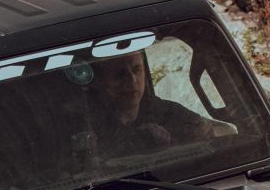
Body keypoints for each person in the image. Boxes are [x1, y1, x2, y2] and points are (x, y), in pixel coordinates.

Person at [80, 52, 221, 151]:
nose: (132, 80)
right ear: (99, 81)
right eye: (119, 74)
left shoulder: (168, 112)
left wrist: (171, 143)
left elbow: (206, 135)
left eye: (136, 70)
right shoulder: (83, 125)